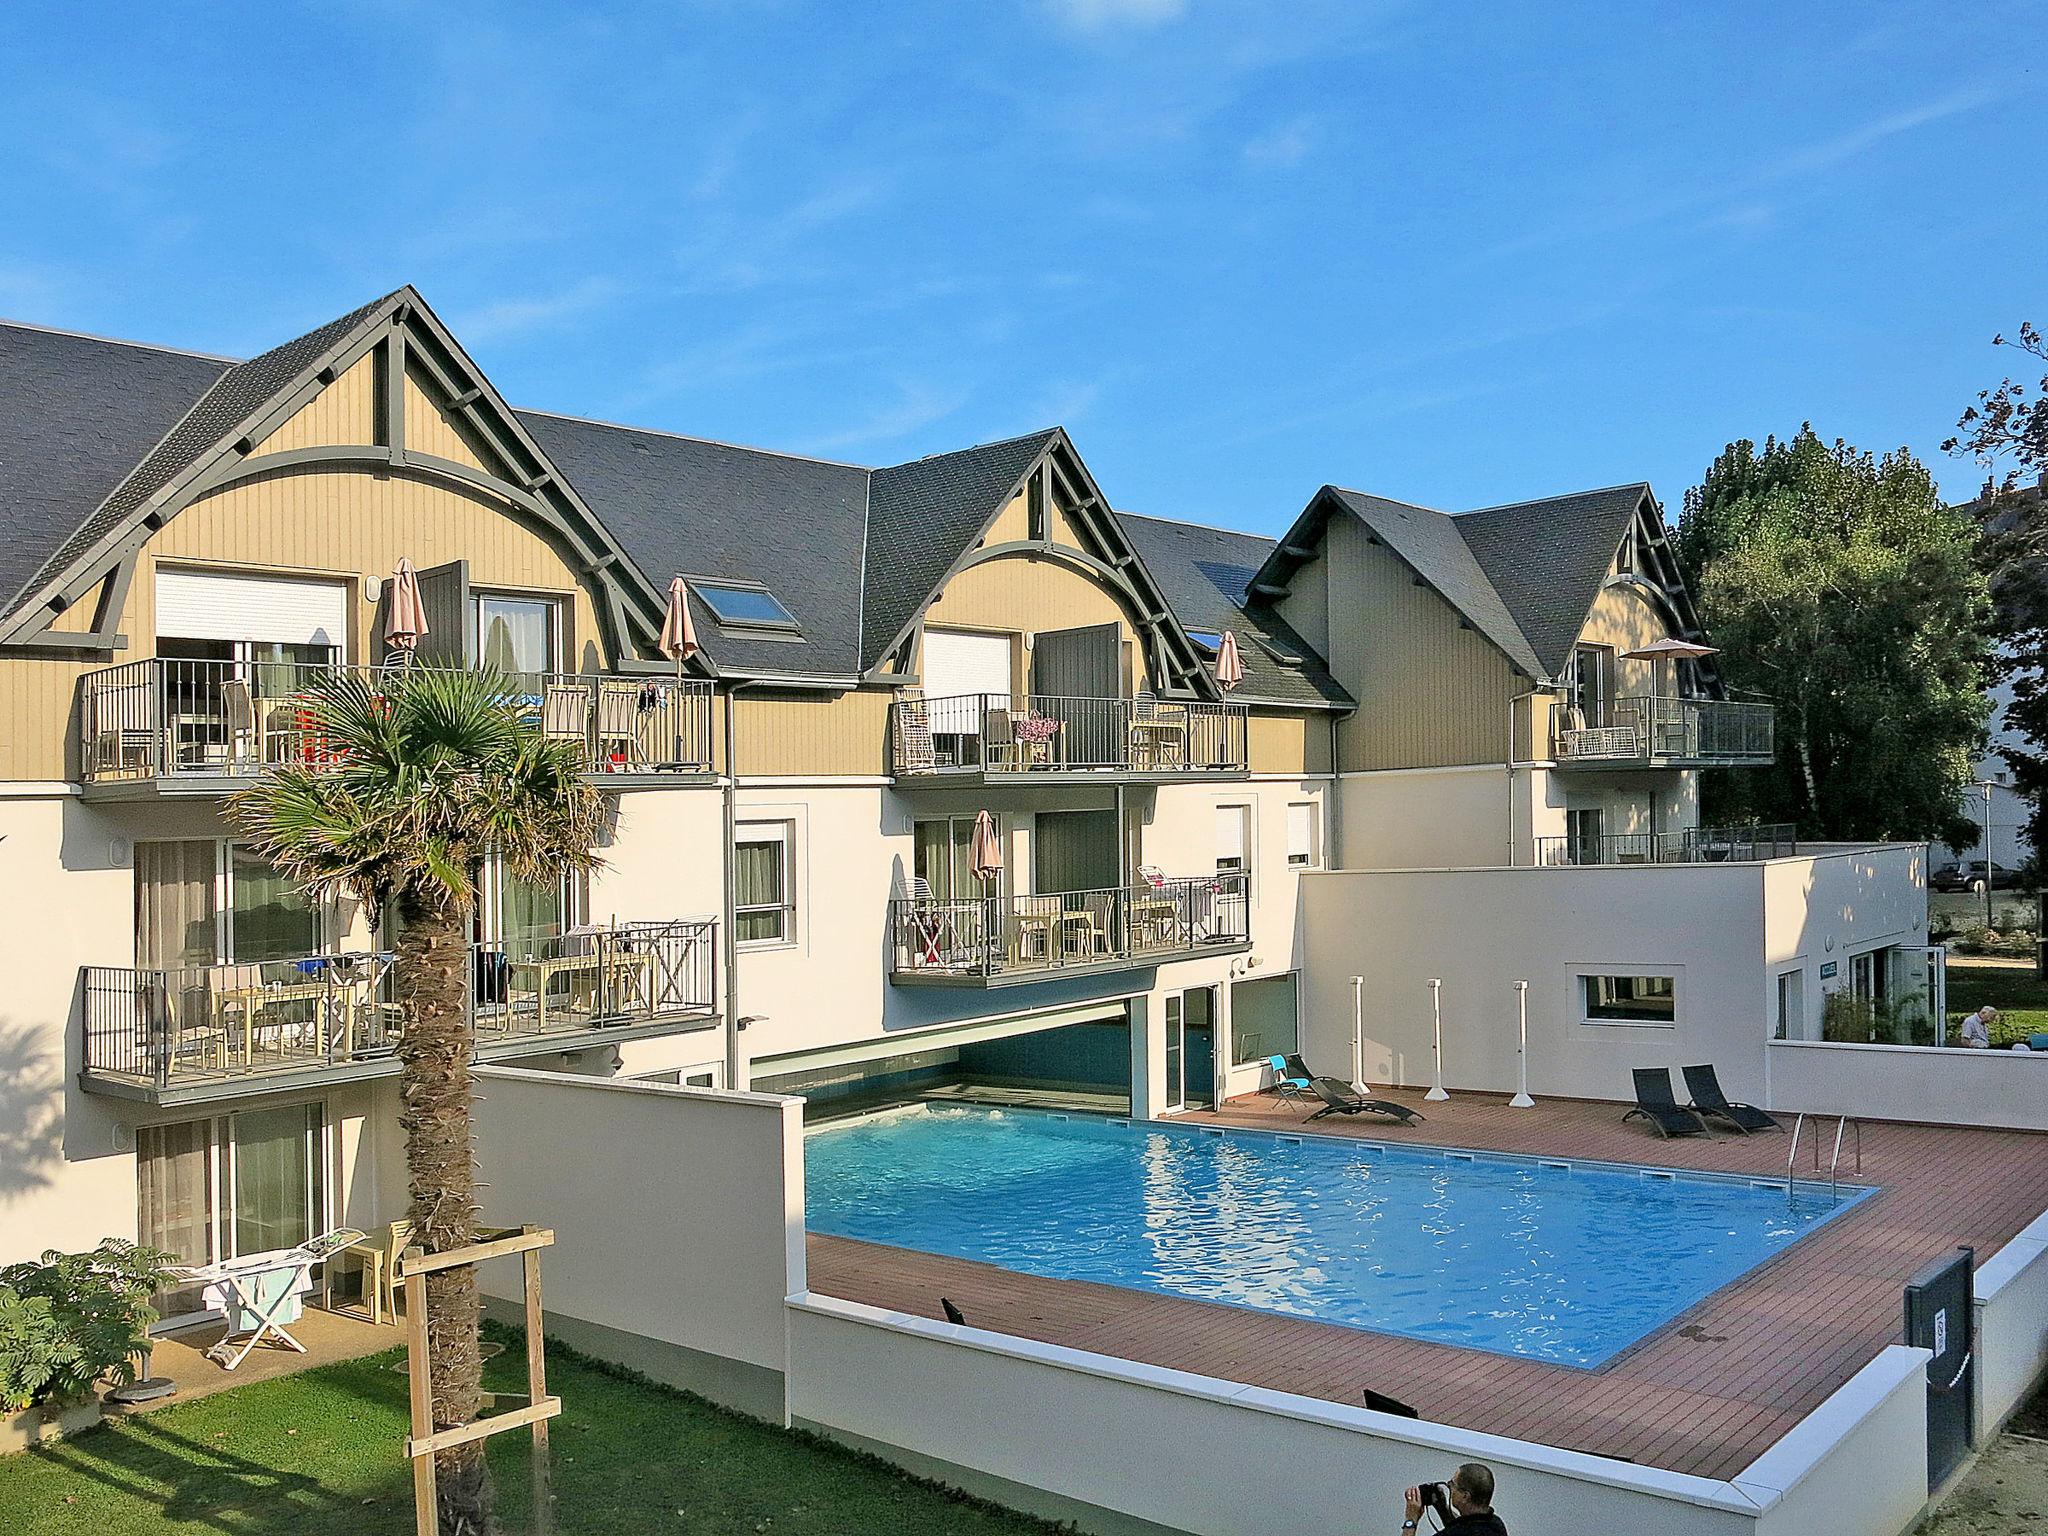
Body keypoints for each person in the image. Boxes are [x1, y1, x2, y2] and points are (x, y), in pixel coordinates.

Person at [1402, 1462, 1506, 1534]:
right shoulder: (1497, 1525)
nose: (1448, 1486)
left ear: (1465, 1496)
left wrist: (1411, 1520)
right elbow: (1462, 1524)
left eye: (1452, 1484)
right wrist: (1442, 1507)